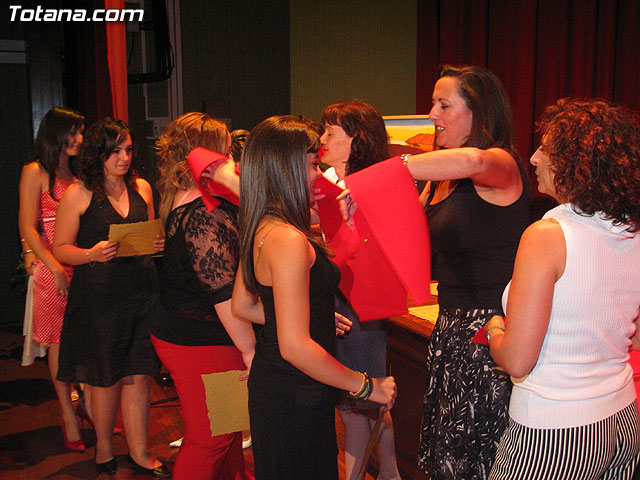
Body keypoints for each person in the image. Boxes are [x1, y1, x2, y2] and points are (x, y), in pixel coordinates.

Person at [231, 115, 397, 480]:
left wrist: (307, 314)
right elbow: (295, 347)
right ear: (287, 169)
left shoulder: (262, 224)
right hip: (296, 391)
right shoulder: (288, 239)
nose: (317, 175)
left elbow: (243, 304)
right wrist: (366, 385)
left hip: (278, 387)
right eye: (311, 165)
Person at [485, 98, 640, 480]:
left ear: (576, 163)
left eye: (546, 149)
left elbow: (517, 360)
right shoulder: (631, 231)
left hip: (556, 430)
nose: (534, 158)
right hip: (622, 419)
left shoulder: (548, 236)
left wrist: (494, 330)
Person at [404, 65, 530, 479]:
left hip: (487, 331)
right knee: (449, 458)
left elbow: (474, 159)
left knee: (477, 458)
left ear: (478, 110)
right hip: (451, 327)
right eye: (433, 104)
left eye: (444, 105)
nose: (432, 115)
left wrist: (395, 167)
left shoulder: (500, 162)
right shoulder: (440, 182)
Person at [53, 118, 168, 477]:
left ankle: (139, 451)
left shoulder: (142, 188)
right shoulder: (79, 193)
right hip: (99, 299)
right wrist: (92, 252)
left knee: (138, 375)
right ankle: (104, 446)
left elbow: (151, 237)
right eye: (115, 151)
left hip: (141, 293)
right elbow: (60, 248)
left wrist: (158, 242)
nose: (124, 158)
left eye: (129, 150)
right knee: (105, 378)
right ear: (98, 153)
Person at [151, 112, 255, 479]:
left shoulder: (186, 198)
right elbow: (221, 292)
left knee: (227, 429)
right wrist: (250, 349)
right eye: (225, 152)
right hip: (201, 340)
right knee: (211, 438)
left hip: (194, 333)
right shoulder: (204, 212)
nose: (230, 160)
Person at [319, 100, 401, 480]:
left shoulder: (377, 184)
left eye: (330, 132)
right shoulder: (327, 181)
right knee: (360, 402)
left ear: (356, 138)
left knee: (358, 404)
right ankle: (390, 473)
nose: (322, 139)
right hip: (338, 295)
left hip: (362, 302)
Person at [18, 106, 85, 451]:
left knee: (84, 340)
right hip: (52, 267)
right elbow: (28, 226)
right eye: (73, 132)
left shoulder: (77, 173)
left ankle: (87, 405)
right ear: (55, 133)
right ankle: (68, 414)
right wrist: (51, 266)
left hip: (82, 263)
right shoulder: (36, 171)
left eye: (81, 132)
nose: (79, 139)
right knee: (59, 342)